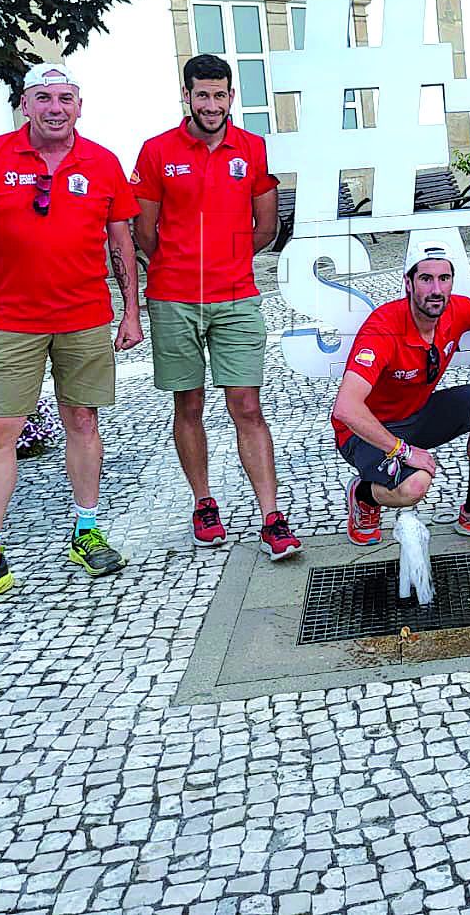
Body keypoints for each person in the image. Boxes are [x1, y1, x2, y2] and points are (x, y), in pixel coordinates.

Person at [0, 62, 142, 616]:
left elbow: (121, 242)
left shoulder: (102, 162)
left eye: (65, 98)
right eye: (44, 98)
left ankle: (86, 530)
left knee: (83, 420)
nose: (55, 108)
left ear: (79, 106)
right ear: (24, 105)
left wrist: (131, 312)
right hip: (13, 320)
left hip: (85, 316)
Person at [132, 54, 300, 561]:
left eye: (219, 95)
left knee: (247, 406)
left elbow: (266, 227)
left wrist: (226, 259)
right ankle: (204, 504)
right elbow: (144, 231)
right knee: (188, 404)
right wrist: (179, 265)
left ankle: (271, 516)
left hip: (236, 296)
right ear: (186, 96)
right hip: (173, 297)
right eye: (202, 95)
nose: (211, 104)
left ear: (231, 97)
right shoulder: (157, 151)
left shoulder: (252, 148)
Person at [331, 240, 470, 546]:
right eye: (426, 279)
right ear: (409, 283)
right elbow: (346, 408)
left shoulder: (455, 310)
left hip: (415, 416)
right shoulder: (384, 327)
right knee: (414, 486)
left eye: (444, 278)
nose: (436, 289)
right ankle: (363, 495)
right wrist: (404, 451)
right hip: (364, 433)